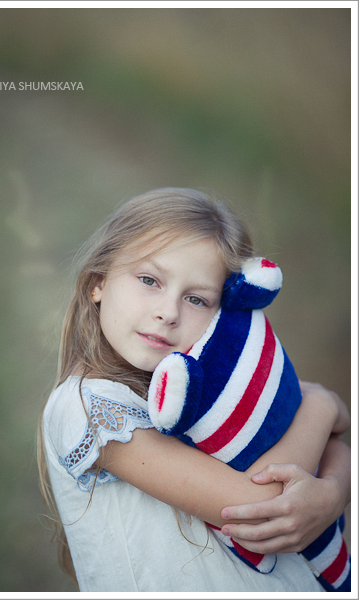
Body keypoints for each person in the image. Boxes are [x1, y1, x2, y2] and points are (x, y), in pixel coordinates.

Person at [38, 188, 350, 592]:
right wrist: (321, 406)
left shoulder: (208, 391)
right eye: (149, 280)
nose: (168, 313)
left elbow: (332, 450)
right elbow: (262, 506)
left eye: (197, 299)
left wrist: (334, 493)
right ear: (99, 281)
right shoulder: (88, 406)